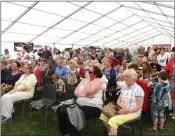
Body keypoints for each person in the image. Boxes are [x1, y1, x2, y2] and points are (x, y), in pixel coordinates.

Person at [57, 66, 104, 136]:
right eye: (88, 71)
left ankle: (73, 134)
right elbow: (76, 92)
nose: (87, 73)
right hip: (80, 103)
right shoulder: (83, 80)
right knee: (60, 109)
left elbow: (88, 91)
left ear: (96, 74)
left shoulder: (98, 81)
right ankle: (65, 133)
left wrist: (88, 79)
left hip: (93, 106)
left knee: (71, 113)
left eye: (90, 72)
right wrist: (86, 96)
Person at [100, 69, 144, 136]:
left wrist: (126, 110)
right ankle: (110, 132)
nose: (125, 78)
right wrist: (123, 108)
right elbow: (118, 101)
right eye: (124, 76)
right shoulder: (124, 87)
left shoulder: (138, 89)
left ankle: (112, 132)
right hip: (121, 109)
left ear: (133, 78)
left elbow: (139, 106)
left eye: (127, 76)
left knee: (113, 120)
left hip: (134, 112)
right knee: (103, 115)